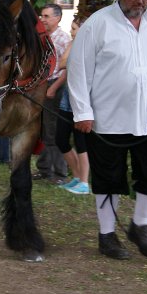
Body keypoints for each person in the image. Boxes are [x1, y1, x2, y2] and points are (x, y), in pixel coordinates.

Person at [69, 0, 147, 260]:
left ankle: (140, 226)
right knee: (109, 178)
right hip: (107, 118)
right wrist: (82, 111)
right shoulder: (98, 24)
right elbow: (79, 70)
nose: (141, 0)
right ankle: (107, 235)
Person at [33, 3, 71, 183]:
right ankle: (44, 169)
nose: (43, 19)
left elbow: (67, 68)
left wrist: (54, 88)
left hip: (55, 85)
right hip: (40, 85)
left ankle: (60, 173)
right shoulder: (42, 37)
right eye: (42, 16)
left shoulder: (64, 39)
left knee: (53, 130)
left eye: (47, 16)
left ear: (58, 18)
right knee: (41, 128)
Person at [55, 18, 90, 194]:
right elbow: (62, 63)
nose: (71, 31)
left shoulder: (87, 47)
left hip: (82, 99)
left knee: (81, 142)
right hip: (67, 97)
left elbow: (64, 63)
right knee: (60, 138)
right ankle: (76, 177)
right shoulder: (74, 44)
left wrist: (71, 50)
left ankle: (84, 183)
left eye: (74, 29)